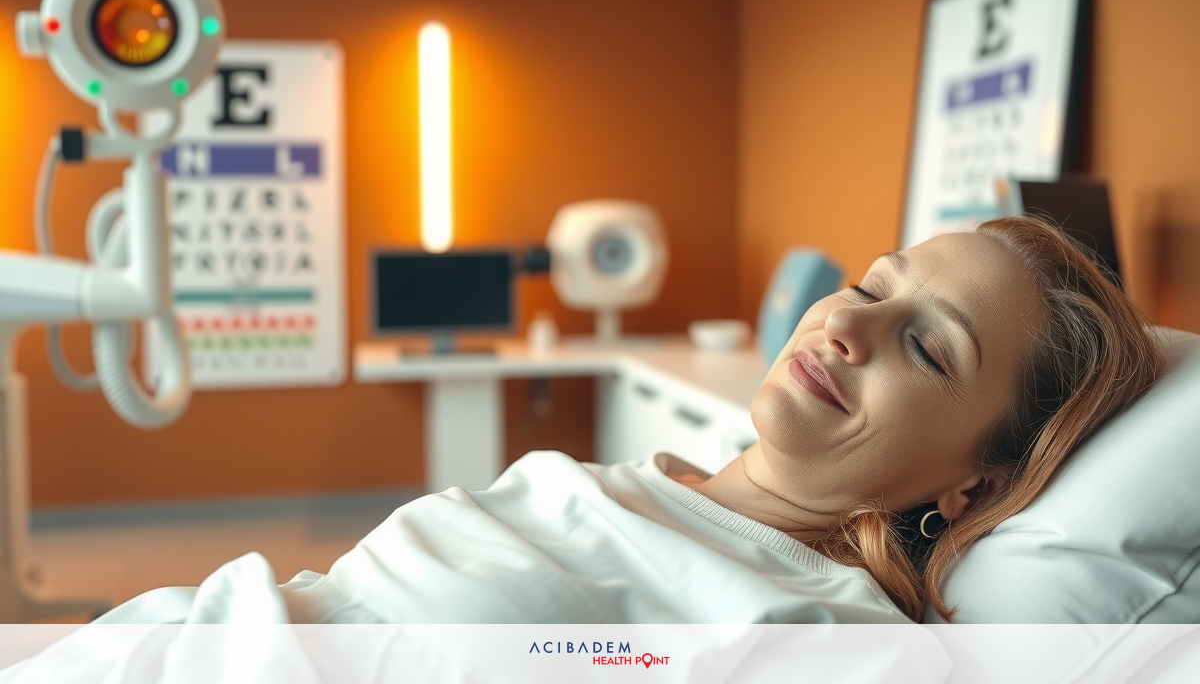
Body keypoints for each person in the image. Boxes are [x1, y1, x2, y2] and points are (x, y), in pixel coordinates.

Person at [100, 214, 1163, 625]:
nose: (847, 324)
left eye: (929, 345)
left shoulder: (810, 629)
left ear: (970, 485)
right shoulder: (625, 484)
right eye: (871, 284)